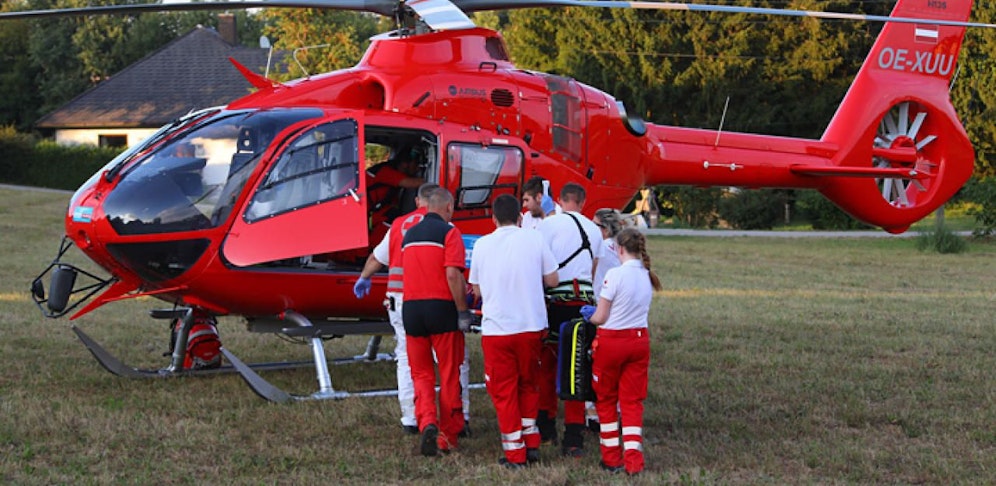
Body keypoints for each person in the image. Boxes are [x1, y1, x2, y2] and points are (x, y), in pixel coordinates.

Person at [469, 194, 559, 469]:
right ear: (520, 217)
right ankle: (531, 441)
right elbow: (553, 279)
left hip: (498, 328)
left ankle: (515, 453)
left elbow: (476, 289)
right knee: (528, 384)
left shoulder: (482, 245)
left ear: (493, 218)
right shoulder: (534, 238)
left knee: (503, 391)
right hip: (531, 325)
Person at [353, 183, 438, 435]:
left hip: (399, 302)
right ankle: (454, 414)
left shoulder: (399, 225)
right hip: (433, 301)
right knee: (444, 357)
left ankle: (410, 417)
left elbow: (376, 259)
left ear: (417, 202)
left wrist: (364, 277)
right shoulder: (445, 226)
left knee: (405, 356)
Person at [579, 228, 662, 476]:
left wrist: (588, 315)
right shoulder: (647, 276)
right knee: (632, 401)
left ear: (619, 249)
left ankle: (611, 457)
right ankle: (634, 460)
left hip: (612, 342)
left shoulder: (614, 275)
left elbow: (601, 316)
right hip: (639, 341)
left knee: (605, 399)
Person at [400, 187, 474, 456]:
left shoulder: (409, 235)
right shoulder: (449, 232)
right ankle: (447, 436)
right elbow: (453, 274)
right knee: (449, 372)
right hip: (441, 309)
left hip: (411, 311)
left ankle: (427, 421)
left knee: (420, 373)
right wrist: (462, 311)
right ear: (448, 208)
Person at [535, 182, 603, 457]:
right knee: (577, 369)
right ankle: (574, 437)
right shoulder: (594, 229)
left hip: (556, 302)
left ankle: (545, 425)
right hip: (584, 305)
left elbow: (541, 266)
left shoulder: (549, 226)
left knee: (548, 364)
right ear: (583, 203)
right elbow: (593, 270)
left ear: (559, 201)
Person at [586, 208, 625, 430]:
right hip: (620, 313)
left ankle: (595, 414)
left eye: (595, 225)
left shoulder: (600, 248)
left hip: (600, 309)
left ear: (605, 229)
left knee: (597, 365)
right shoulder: (621, 249)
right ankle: (616, 410)